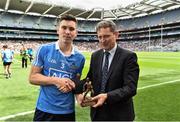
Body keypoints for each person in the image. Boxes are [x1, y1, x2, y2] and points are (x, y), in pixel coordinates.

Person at [77, 20, 139, 121]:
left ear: (116, 35)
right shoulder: (95, 55)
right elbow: (90, 79)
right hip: (97, 113)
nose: (102, 40)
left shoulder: (128, 57)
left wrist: (107, 96)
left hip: (119, 115)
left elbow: (130, 88)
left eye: (106, 36)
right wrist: (76, 89)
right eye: (100, 37)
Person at [29, 14, 85, 121]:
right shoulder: (44, 49)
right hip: (44, 110)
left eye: (71, 29)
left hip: (67, 112)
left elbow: (75, 84)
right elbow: (33, 78)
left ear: (76, 33)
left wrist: (80, 97)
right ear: (58, 30)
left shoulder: (80, 58)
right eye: (64, 27)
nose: (67, 32)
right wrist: (57, 80)